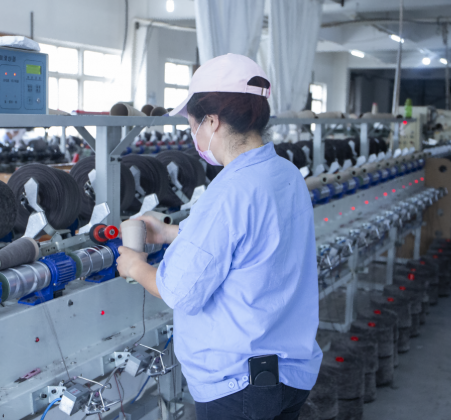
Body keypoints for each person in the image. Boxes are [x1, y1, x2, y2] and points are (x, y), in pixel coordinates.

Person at [116, 54, 322, 420]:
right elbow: (254, 240)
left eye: (193, 125)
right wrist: (172, 233)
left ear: (212, 122)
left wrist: (135, 266)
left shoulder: (230, 191)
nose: (193, 135)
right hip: (291, 374)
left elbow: (180, 290)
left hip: (239, 385)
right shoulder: (285, 173)